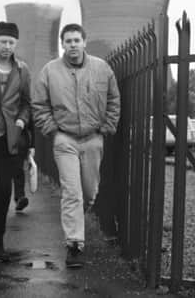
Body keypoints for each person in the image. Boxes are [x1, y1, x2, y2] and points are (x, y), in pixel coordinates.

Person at [32, 23, 120, 269]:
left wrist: (107, 126)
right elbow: (39, 105)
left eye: (76, 40)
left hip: (93, 138)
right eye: (68, 41)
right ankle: (74, 245)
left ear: (84, 42)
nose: (72, 45)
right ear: (62, 44)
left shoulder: (102, 69)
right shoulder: (49, 71)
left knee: (89, 192)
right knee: (72, 192)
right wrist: (52, 130)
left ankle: (76, 224)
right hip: (65, 139)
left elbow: (114, 99)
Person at [0, 21, 32, 262]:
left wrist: (22, 120)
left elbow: (26, 102)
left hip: (10, 139)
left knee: (3, 191)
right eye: (2, 41)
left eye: (11, 42)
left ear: (16, 44)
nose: (6, 46)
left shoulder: (22, 70)